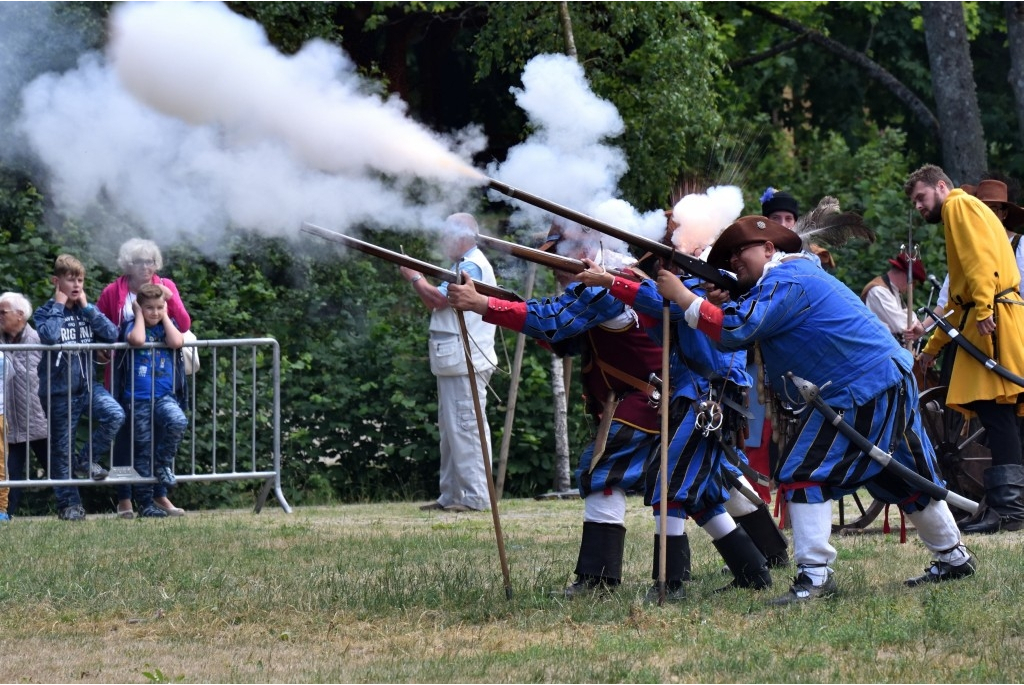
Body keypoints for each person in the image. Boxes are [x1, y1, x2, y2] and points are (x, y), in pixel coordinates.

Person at [606, 215, 975, 603]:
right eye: (728, 256)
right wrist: (633, 286)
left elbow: (734, 331)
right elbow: (735, 318)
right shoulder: (784, 279)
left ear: (769, 249)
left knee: (802, 473)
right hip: (879, 378)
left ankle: (815, 577)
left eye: (740, 252)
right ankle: (953, 557)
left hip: (859, 386)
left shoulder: (786, 280)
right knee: (902, 479)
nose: (733, 261)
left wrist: (683, 295)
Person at [449, 222, 680, 600]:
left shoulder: (607, 282)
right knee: (711, 483)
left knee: (602, 474)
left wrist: (484, 305)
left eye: (559, 255)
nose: (553, 267)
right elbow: (566, 339)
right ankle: (762, 559)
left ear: (586, 250)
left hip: (648, 399)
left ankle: (598, 581)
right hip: (653, 396)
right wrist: (508, 307)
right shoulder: (614, 277)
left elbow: (553, 322)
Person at [907, 165, 1024, 534]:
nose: (919, 208)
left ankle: (1010, 511)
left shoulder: (958, 206)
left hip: (994, 321)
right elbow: (958, 300)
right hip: (989, 317)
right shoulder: (964, 211)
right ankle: (1007, 507)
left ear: (941, 186)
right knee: (1000, 416)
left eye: (921, 198)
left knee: (998, 415)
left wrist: (986, 310)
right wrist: (933, 346)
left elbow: (979, 266)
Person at [399, 213, 498, 513]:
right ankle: (452, 495)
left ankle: (475, 497)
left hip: (464, 358)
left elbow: (437, 300)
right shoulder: (463, 263)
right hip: (454, 359)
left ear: (462, 236)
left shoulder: (471, 265)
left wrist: (413, 275)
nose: (442, 240)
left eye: (447, 234)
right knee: (452, 429)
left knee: (467, 427)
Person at [98, 238, 190, 518]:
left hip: (161, 378)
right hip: (125, 377)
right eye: (139, 261)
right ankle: (125, 497)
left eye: (150, 261)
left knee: (161, 432)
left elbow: (183, 325)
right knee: (126, 439)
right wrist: (102, 349)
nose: (145, 267)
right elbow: (101, 326)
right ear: (128, 264)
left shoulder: (167, 287)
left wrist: (169, 301)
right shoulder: (114, 291)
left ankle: (158, 494)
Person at [35, 254, 125, 521]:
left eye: (80, 280)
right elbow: (50, 336)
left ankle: (85, 461)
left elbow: (111, 334)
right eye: (70, 279)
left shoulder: (88, 311)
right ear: (56, 281)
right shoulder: (44, 311)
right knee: (61, 451)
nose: (76, 285)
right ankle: (69, 505)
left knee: (115, 414)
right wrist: (59, 305)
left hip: (88, 387)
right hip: (59, 392)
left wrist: (87, 307)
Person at [115, 284, 188, 518]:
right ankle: (145, 503)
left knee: (177, 421)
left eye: (159, 308)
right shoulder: (133, 325)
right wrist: (138, 314)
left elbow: (177, 342)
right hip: (138, 400)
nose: (154, 313)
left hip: (164, 396)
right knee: (142, 449)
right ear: (139, 307)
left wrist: (166, 315)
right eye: (149, 308)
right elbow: (136, 340)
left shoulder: (168, 326)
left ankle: (163, 463)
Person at [0, 292, 50, 517]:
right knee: (9, 475)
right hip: (9, 422)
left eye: (3, 312)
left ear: (20, 315)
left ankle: (72, 507)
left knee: (58, 470)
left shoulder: (39, 340)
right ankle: (6, 515)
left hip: (39, 419)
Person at [861, 253, 927, 346]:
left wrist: (914, 322)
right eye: (914, 283)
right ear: (906, 276)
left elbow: (907, 315)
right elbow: (900, 323)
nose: (912, 288)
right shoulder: (878, 291)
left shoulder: (893, 291)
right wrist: (917, 325)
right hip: (871, 351)